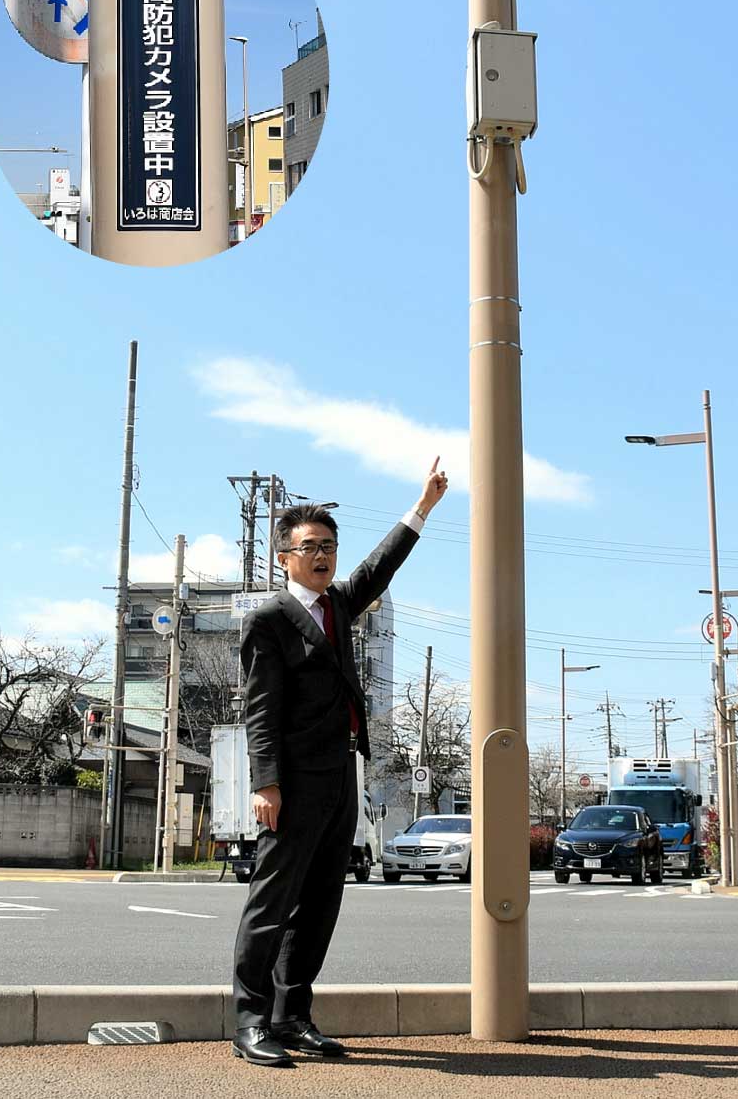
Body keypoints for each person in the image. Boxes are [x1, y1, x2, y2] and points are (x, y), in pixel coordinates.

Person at [231, 457, 449, 1067]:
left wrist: (422, 506)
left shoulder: (339, 606)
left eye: (329, 545)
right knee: (271, 902)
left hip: (340, 774)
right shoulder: (269, 619)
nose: (322, 556)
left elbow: (380, 566)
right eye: (310, 547)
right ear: (285, 557)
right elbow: (261, 709)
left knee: (323, 900)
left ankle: (292, 1016)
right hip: (292, 782)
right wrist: (265, 783)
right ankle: (249, 1022)